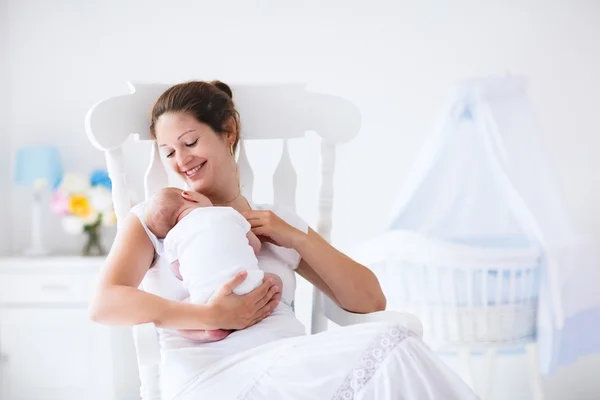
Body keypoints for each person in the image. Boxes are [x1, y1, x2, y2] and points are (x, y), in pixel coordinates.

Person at [89, 80, 477, 399]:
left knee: (395, 342)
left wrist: (295, 238)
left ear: (228, 132)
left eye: (190, 143)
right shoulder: (160, 219)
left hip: (287, 364)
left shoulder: (274, 223)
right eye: (168, 151)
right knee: (397, 351)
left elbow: (369, 301)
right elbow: (105, 304)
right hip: (213, 378)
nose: (181, 160)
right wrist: (212, 316)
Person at [143, 186, 268, 342]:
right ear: (188, 196)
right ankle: (267, 305)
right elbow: (256, 246)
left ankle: (207, 333)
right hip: (249, 286)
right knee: (273, 280)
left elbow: (179, 273)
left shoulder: (171, 239)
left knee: (178, 322)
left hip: (207, 301)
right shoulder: (228, 212)